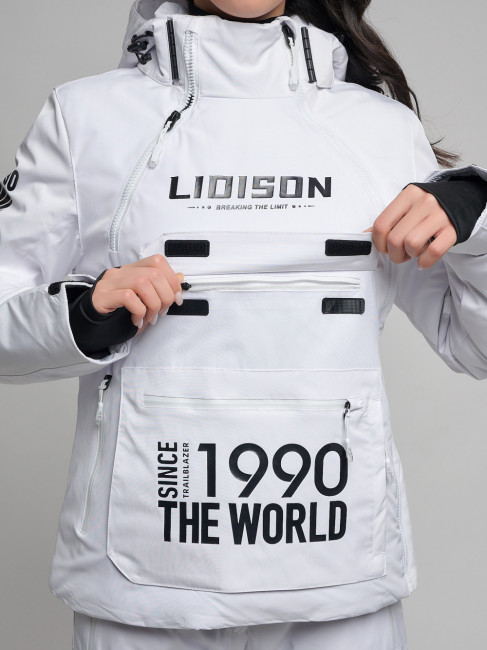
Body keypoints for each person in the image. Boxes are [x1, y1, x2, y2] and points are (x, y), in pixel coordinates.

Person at [1, 1, 487, 648]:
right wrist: (83, 313)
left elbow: (475, 345)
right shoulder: (85, 118)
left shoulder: (380, 129)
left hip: (338, 581)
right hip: (143, 592)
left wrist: (477, 220)